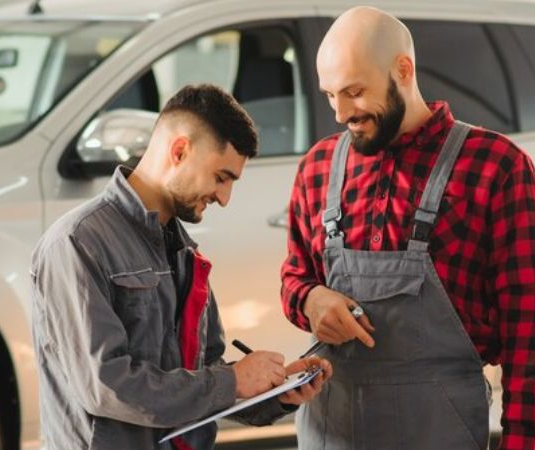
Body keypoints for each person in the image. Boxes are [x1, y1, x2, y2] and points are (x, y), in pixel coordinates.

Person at [280, 7, 535, 449]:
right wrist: (310, 299)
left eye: (354, 91)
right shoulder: (316, 168)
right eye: (331, 94)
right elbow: (295, 278)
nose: (340, 112)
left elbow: (529, 328)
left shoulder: (495, 167)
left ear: (403, 70)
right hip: (330, 432)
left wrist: (521, 442)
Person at [31, 84, 332, 450]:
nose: (224, 198)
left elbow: (201, 375)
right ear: (179, 151)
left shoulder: (184, 251)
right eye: (221, 177)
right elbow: (105, 385)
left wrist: (274, 391)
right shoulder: (78, 243)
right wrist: (231, 381)